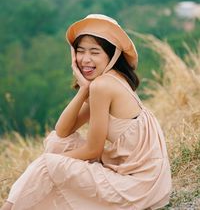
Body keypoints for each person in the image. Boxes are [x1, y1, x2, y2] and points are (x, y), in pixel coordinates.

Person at [1, 14, 172, 210]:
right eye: (80, 51)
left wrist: (48, 164)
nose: (85, 59)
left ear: (112, 55)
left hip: (138, 190)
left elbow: (93, 150)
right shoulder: (108, 80)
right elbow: (62, 131)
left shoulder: (103, 86)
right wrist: (83, 90)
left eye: (94, 52)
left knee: (47, 164)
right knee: (57, 143)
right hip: (144, 183)